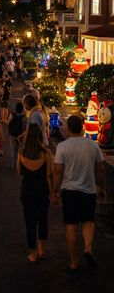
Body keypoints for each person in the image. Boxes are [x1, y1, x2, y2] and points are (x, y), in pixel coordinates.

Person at [52, 115, 107, 270]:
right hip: (88, 190)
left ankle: (74, 262)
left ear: (68, 128)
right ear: (82, 127)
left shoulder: (63, 147)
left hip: (69, 190)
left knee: (71, 225)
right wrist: (102, 187)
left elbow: (57, 171)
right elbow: (101, 169)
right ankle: (88, 248)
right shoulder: (92, 146)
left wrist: (55, 190)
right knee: (88, 221)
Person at [18, 124, 53, 263]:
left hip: (27, 190)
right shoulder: (46, 153)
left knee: (30, 221)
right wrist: (53, 191)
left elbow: (20, 171)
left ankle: (32, 253)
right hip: (42, 190)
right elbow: (49, 175)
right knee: (43, 219)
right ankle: (42, 249)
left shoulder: (22, 152)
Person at [7, 102, 27, 170]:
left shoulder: (12, 115)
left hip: (12, 134)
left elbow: (8, 124)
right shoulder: (24, 117)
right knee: (20, 150)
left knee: (13, 150)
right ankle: (20, 165)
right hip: (20, 135)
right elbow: (25, 127)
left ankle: (13, 165)